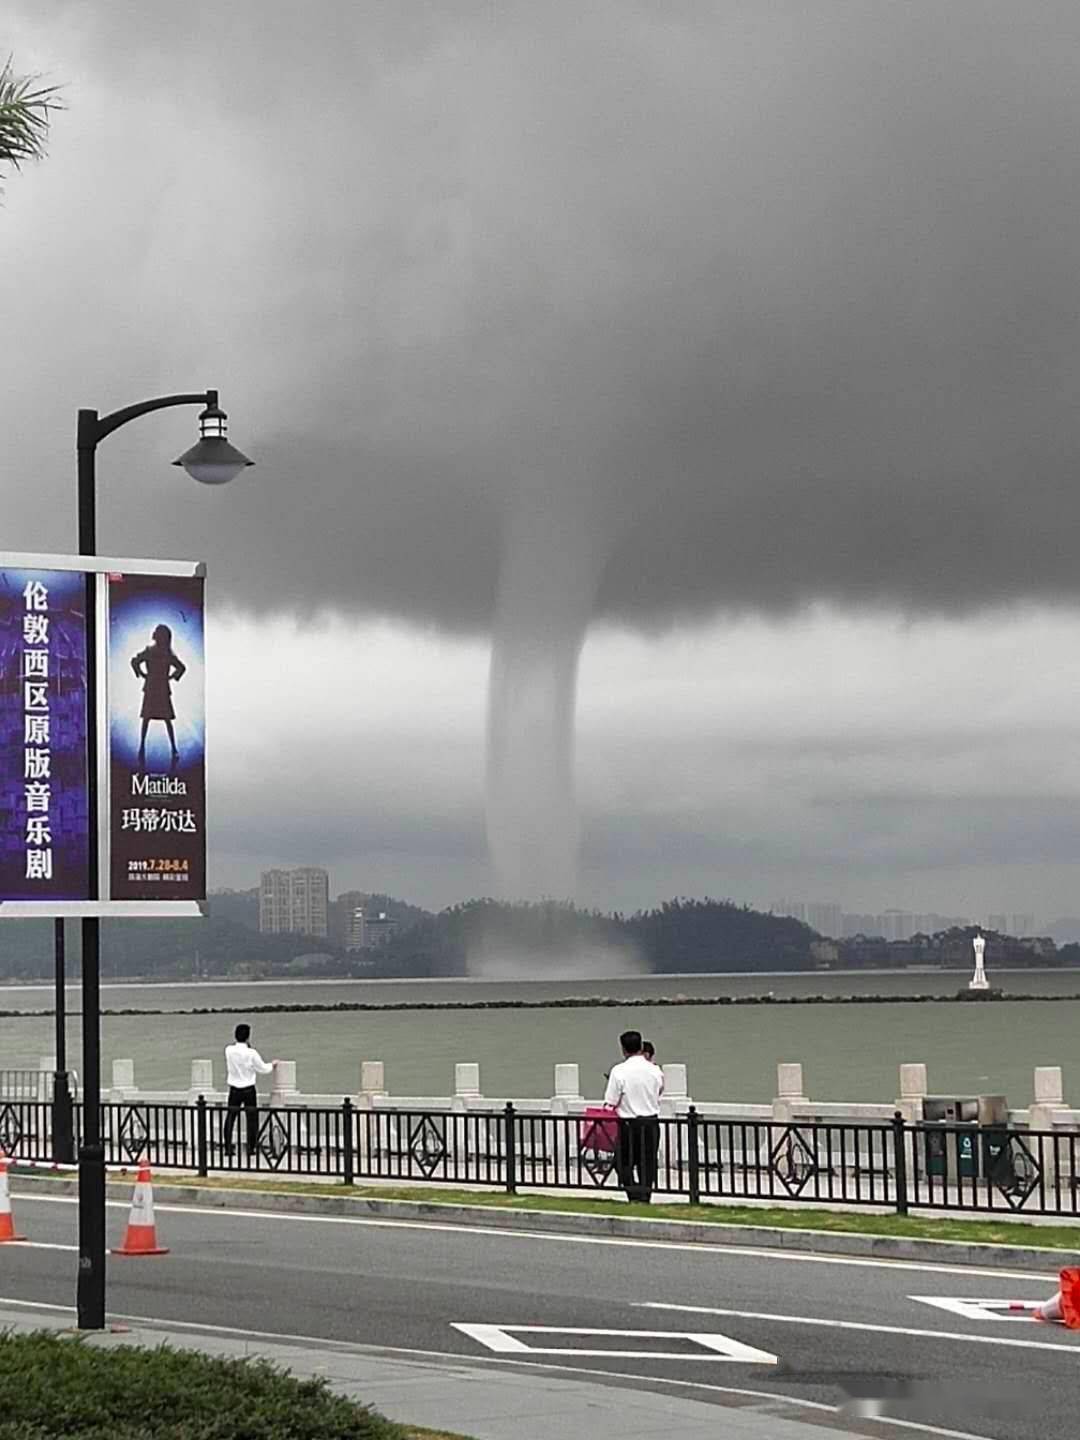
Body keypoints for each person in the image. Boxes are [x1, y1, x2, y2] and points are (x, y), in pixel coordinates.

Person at [603, 1029, 663, 1203]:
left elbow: (611, 1101)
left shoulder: (619, 1071)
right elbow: (659, 1090)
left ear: (623, 1049)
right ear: (640, 1046)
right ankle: (645, 1195)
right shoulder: (654, 1070)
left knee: (623, 1163)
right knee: (648, 1163)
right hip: (651, 1122)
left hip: (628, 1124)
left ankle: (633, 1192)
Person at [131, 623, 186, 770]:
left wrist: (142, 674)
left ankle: (143, 747)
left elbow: (135, 661)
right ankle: (173, 749)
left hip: (152, 688)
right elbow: (181, 668)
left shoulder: (151, 651)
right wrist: (171, 677)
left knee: (147, 719)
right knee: (165, 720)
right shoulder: (167, 653)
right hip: (161, 688)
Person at [223, 1023, 277, 1159]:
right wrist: (273, 1065)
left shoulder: (228, 1050)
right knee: (251, 1119)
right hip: (248, 1088)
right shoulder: (251, 1053)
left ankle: (228, 1148)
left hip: (234, 1088)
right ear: (248, 1037)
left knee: (230, 1118)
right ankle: (251, 1148)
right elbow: (263, 1068)